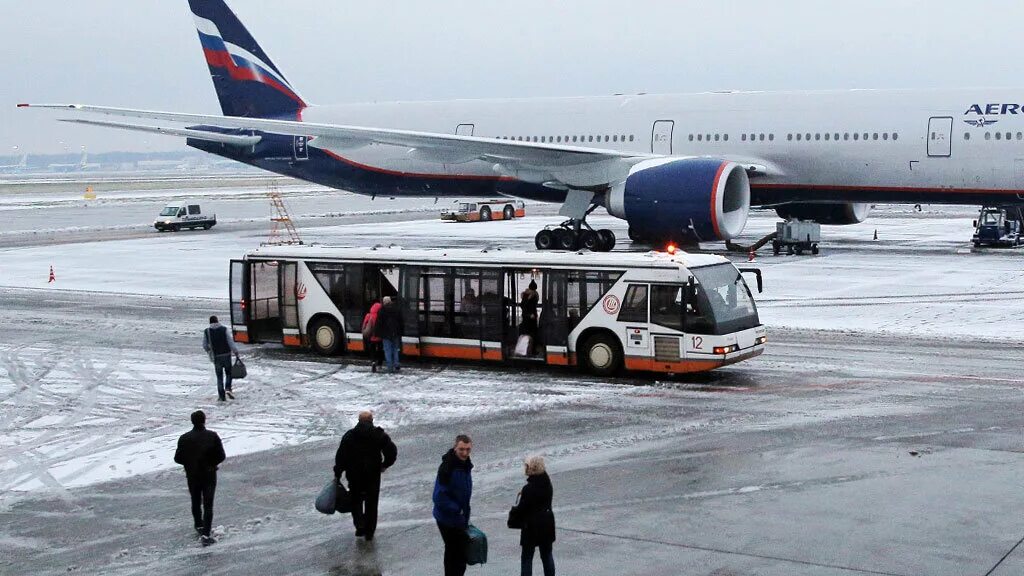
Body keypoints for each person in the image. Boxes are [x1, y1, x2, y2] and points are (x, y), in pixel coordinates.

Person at [333, 410, 398, 541]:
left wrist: (338, 473)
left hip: (354, 475)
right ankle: (369, 531)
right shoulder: (379, 435)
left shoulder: (349, 436)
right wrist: (385, 465)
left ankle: (359, 526)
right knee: (371, 503)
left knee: (355, 500)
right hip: (372, 475)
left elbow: (341, 457)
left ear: (358, 420)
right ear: (371, 420)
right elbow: (391, 451)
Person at [173, 410, 226, 547]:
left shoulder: (184, 438)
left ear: (192, 421)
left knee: (195, 500)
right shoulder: (212, 436)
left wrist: (190, 464)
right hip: (209, 474)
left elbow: (177, 458)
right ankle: (206, 533)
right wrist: (211, 464)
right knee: (208, 504)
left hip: (192, 475)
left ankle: (199, 525)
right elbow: (221, 455)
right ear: (204, 420)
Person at [433, 434, 474, 576]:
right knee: (454, 554)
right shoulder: (447, 467)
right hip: (447, 518)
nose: (465, 453)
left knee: (458, 554)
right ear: (455, 447)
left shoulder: (465, 465)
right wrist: (457, 510)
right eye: (461, 449)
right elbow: (438, 497)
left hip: (458, 517)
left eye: (468, 449)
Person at [512, 455, 556, 576]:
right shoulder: (548, 484)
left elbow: (522, 509)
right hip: (547, 523)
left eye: (526, 466)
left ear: (531, 468)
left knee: (527, 557)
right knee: (547, 555)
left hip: (531, 527)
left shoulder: (528, 488)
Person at [202, 315, 240, 401]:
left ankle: (221, 397)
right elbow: (230, 342)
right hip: (226, 355)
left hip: (216, 357)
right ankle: (228, 388)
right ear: (217, 321)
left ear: (210, 322)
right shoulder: (224, 329)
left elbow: (204, 345)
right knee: (229, 373)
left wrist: (209, 350)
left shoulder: (207, 331)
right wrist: (236, 352)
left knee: (219, 377)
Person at [375, 296, 404, 373]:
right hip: (396, 333)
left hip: (386, 334)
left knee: (387, 350)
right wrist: (401, 331)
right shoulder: (396, 309)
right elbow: (401, 321)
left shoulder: (382, 310)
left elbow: (378, 323)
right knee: (395, 349)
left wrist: (377, 333)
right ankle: (396, 364)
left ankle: (390, 366)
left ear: (384, 302)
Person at [361, 302, 384, 373]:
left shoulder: (369, 315)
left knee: (372, 350)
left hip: (371, 337)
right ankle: (380, 364)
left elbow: (364, 325)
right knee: (380, 350)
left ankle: (373, 362)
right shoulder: (381, 316)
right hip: (380, 337)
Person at [519, 280, 540, 355]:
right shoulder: (533, 294)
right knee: (533, 334)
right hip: (531, 317)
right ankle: (531, 351)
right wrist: (530, 314)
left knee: (527, 334)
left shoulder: (526, 294)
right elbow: (526, 305)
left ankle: (527, 350)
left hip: (527, 317)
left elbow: (522, 306)